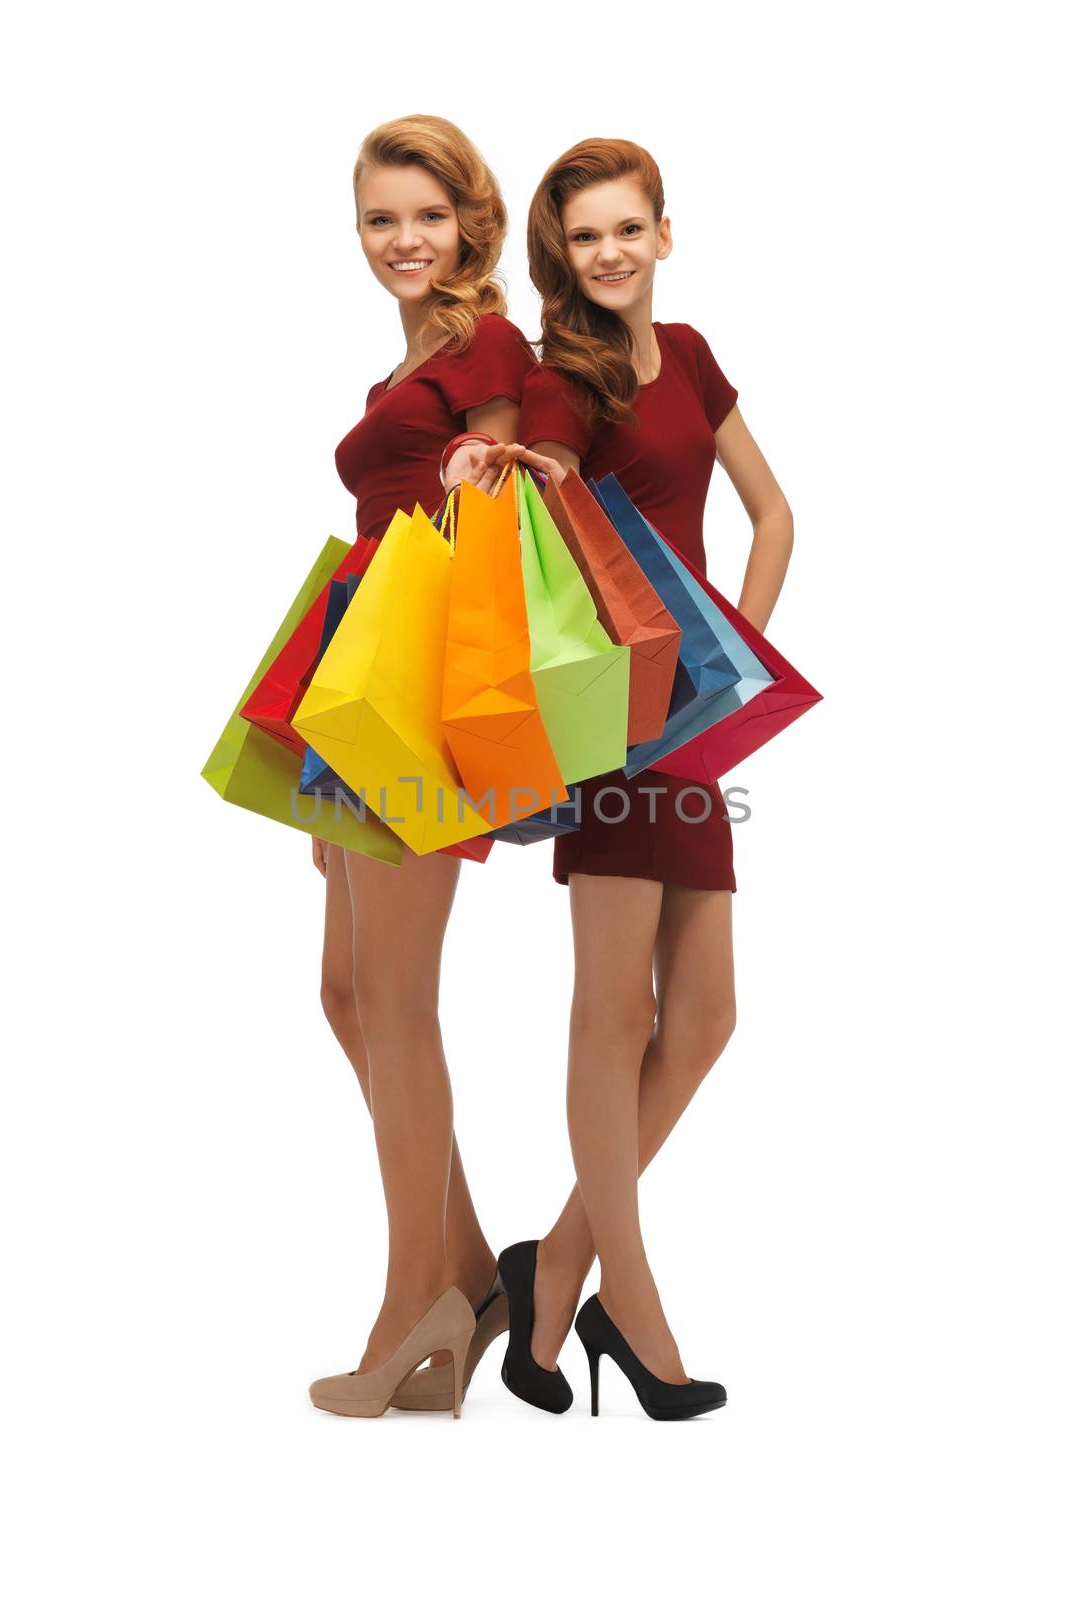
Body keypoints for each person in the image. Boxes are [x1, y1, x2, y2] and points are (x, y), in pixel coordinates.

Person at [496, 137, 795, 1419]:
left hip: (695, 723)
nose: (607, 253)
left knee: (706, 1019)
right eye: (583, 237)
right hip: (617, 731)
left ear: (663, 234)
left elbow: (772, 515)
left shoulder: (695, 355)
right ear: (558, 256)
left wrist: (731, 652)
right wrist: (525, 464)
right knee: (612, 1017)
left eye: (628, 229)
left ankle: (554, 1268)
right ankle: (632, 1296)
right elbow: (544, 505)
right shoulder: (565, 385)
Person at [307, 115, 534, 1418]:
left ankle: (413, 1308)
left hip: (420, 690)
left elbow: (501, 517)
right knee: (344, 993)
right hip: (355, 679)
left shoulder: (486, 348)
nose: (402, 240)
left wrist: (480, 471)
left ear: (469, 223)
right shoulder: (412, 357)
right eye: (380, 218)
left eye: (425, 217)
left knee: (396, 999)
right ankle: (462, 1270)